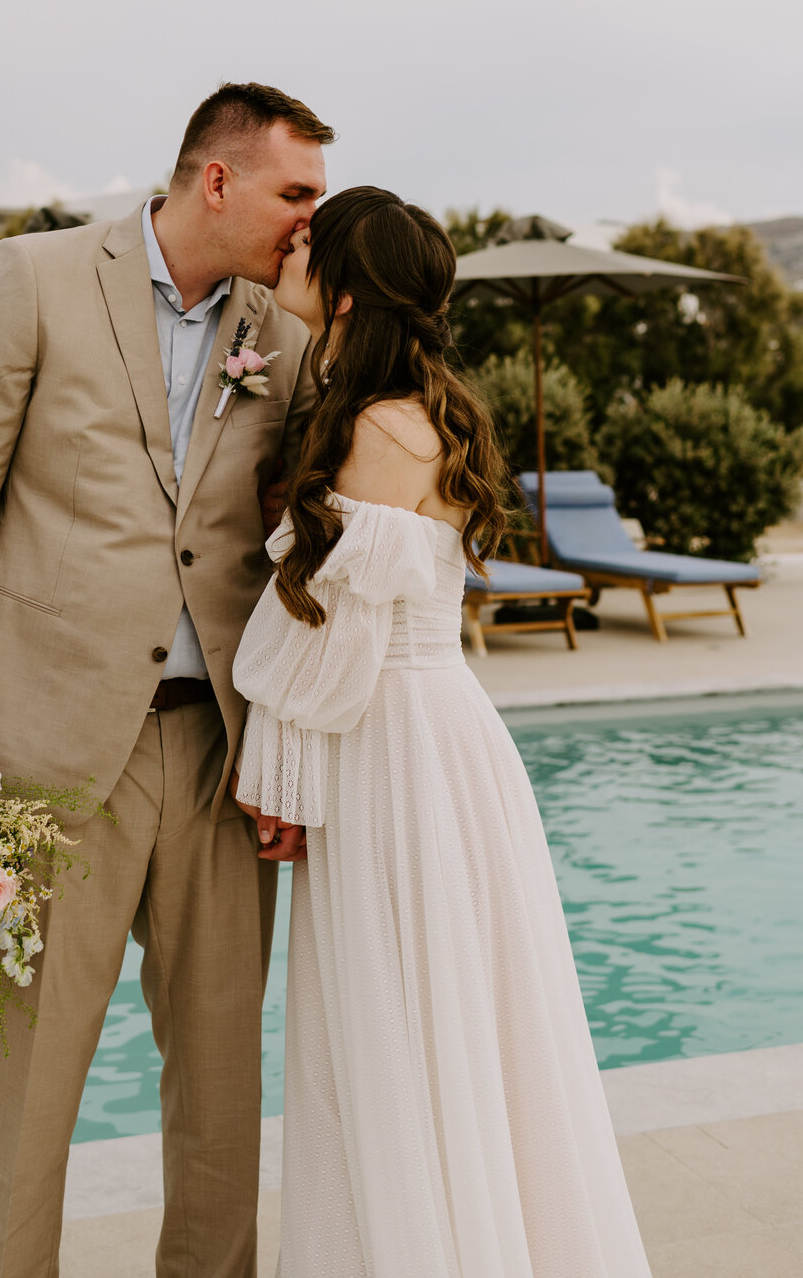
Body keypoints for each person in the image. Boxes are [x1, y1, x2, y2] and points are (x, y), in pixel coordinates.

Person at [0, 82, 333, 1278]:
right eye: (297, 193)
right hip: (46, 753)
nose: (308, 221)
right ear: (216, 179)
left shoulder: (289, 328)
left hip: (222, 755)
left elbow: (308, 539)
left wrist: (296, 751)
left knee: (222, 1084)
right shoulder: (33, 279)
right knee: (28, 1084)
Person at [232, 188, 652, 1278]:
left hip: (394, 747)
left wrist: (268, 767)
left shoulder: (376, 426)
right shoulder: (407, 404)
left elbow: (322, 642)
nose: (294, 243)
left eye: (313, 240)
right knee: (450, 1024)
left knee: (399, 1032)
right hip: (425, 730)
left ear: (351, 289)